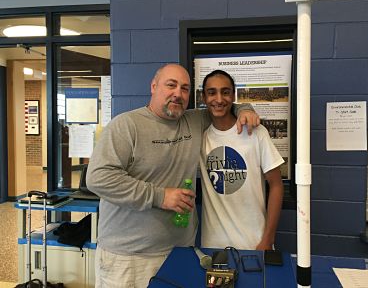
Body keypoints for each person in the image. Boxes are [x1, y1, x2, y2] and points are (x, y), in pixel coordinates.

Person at [86, 64, 260, 287]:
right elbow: (98, 177)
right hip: (127, 258)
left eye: (185, 88)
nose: (178, 93)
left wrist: (245, 108)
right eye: (171, 85)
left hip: (178, 253)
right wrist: (160, 196)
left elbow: (222, 105)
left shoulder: (194, 121)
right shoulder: (127, 125)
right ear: (154, 86)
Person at [199, 70, 284, 251]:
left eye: (226, 92)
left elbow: (276, 185)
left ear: (234, 96)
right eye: (212, 92)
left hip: (254, 244)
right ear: (203, 97)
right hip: (213, 247)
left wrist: (267, 240)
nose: (219, 99)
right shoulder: (200, 138)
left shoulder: (256, 132)